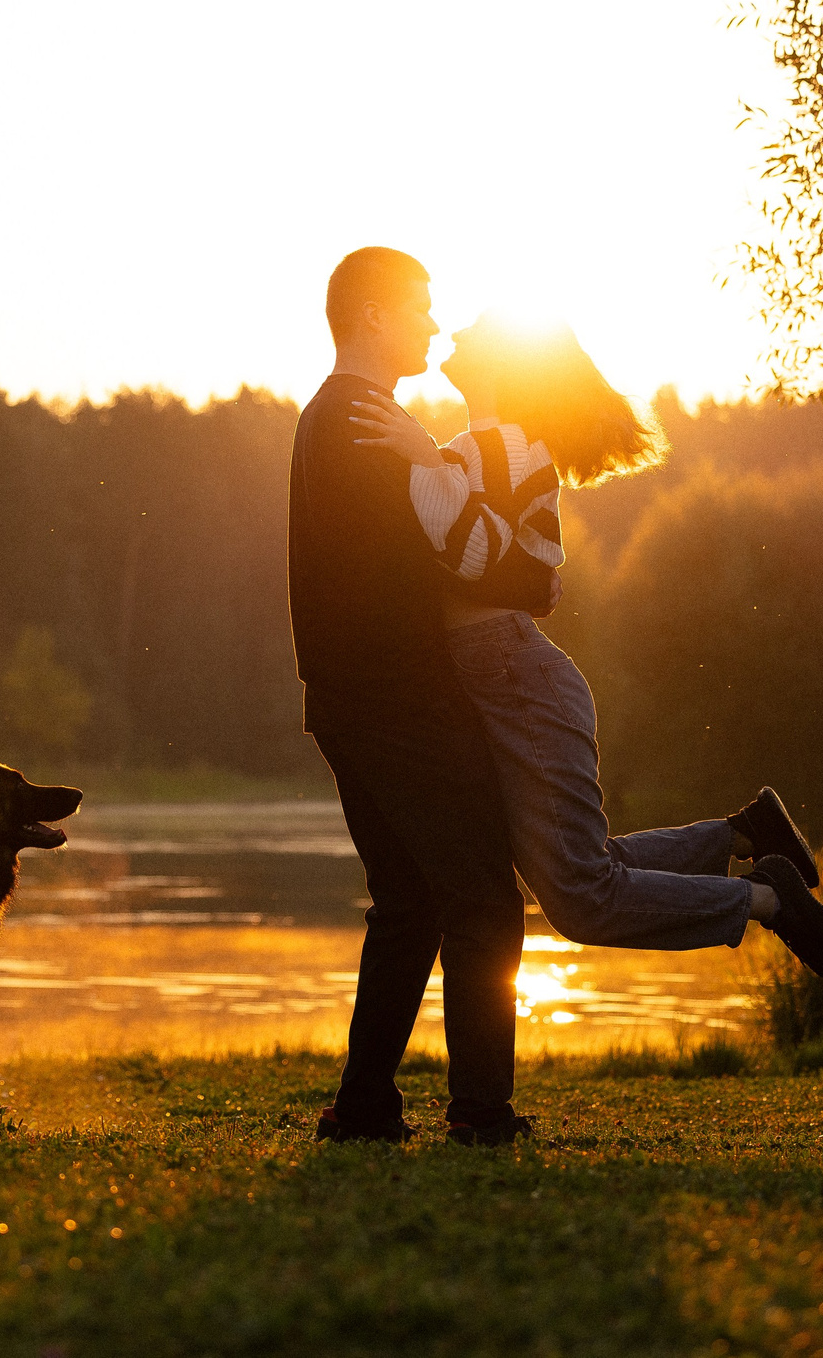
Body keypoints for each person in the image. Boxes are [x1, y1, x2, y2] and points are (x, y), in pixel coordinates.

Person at [347, 309, 823, 974]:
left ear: (501, 363)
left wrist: (417, 458)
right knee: (583, 874)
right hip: (506, 677)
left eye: (475, 329)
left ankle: (766, 900)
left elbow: (473, 553)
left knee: (580, 899)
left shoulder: (501, 447)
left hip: (514, 678)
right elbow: (506, 561)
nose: (455, 333)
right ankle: (746, 832)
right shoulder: (481, 446)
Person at [289, 248, 552, 1148]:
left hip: (347, 703)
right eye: (419, 308)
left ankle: (363, 1108)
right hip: (399, 703)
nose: (434, 328)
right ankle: (480, 1112)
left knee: (406, 899)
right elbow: (462, 558)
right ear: (370, 316)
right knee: (482, 896)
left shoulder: (332, 419)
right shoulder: (365, 424)